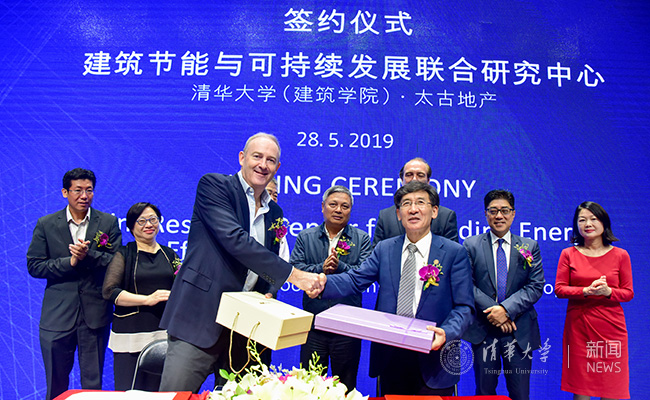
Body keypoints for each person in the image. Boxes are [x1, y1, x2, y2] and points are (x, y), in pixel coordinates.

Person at [158, 133, 326, 393]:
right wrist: (295, 275)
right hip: (199, 318)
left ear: (277, 167)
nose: (263, 165)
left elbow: (268, 259)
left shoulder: (275, 212)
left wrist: (269, 290)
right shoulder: (214, 186)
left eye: (271, 160)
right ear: (242, 158)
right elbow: (235, 240)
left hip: (245, 330)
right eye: (257, 156)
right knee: (176, 396)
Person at [318, 181, 474, 396]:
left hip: (434, 358)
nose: (413, 209)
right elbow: (355, 280)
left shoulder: (453, 252)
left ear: (434, 211)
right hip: (390, 358)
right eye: (406, 204)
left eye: (421, 202)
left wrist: (447, 333)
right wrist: (320, 283)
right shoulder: (385, 249)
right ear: (399, 214)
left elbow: (465, 307)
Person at [27, 168, 122, 400]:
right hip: (57, 316)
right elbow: (35, 266)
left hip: (95, 314)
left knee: (92, 385)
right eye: (78, 190)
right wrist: (69, 262)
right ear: (65, 192)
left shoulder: (107, 222)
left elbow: (117, 262)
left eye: (89, 190)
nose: (84, 196)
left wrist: (88, 256)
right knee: (56, 384)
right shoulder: (46, 224)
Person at [462, 190, 545, 400]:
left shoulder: (529, 246)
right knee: (484, 394)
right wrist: (495, 312)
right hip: (484, 330)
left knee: (520, 394)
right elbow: (466, 285)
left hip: (518, 331)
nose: (499, 216)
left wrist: (506, 310)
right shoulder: (471, 245)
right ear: (486, 214)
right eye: (493, 211)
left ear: (513, 214)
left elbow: (536, 286)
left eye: (505, 210)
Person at [290, 185, 372, 390]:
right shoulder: (306, 237)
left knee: (345, 387)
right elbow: (295, 269)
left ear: (350, 210)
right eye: (333, 204)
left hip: (347, 327)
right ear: (323, 207)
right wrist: (321, 268)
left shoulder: (361, 238)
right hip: (314, 325)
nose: (338, 210)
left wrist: (340, 266)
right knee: (310, 386)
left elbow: (365, 274)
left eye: (345, 206)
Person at [555, 201, 633, 400]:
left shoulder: (621, 255)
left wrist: (608, 292)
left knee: (611, 388)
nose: (587, 224)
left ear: (604, 223)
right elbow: (560, 289)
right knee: (581, 388)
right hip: (579, 328)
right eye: (582, 220)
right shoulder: (568, 254)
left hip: (611, 329)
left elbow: (628, 293)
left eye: (593, 219)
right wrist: (585, 291)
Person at [102, 202, 180, 391]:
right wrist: (147, 299)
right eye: (142, 221)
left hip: (163, 332)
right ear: (131, 226)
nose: (149, 225)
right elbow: (109, 291)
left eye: (153, 219)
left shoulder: (169, 254)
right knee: (129, 390)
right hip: (131, 334)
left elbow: (182, 285)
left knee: (161, 391)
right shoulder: (124, 254)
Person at [373, 157, 458, 245]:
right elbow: (377, 251)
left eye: (420, 175)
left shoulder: (446, 217)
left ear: (428, 181)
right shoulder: (385, 216)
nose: (414, 179)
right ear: (402, 180)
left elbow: (451, 251)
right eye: (409, 175)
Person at [266, 178, 290, 262]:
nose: (272, 198)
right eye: (268, 193)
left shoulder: (277, 226)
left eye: (275, 195)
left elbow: (284, 258)